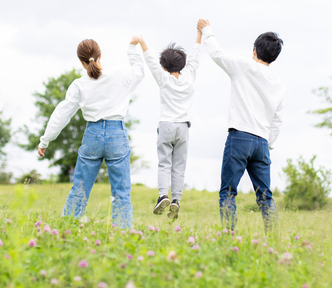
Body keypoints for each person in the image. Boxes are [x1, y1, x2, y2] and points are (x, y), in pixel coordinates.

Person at [37, 37, 145, 228]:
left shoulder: (79, 85)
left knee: (79, 189)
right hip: (116, 134)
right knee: (121, 192)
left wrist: (45, 140)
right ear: (100, 55)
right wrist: (131, 49)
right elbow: (139, 72)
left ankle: (66, 231)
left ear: (81, 62)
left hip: (92, 136)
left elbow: (62, 113)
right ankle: (122, 238)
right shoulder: (119, 75)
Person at [197, 18, 285, 232]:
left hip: (240, 137)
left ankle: (229, 237)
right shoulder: (278, 83)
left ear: (254, 50)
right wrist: (267, 143)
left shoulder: (246, 67)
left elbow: (217, 54)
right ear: (274, 57)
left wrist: (206, 29)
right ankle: (274, 239)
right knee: (265, 196)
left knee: (228, 191)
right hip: (262, 143)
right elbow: (277, 120)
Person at [134, 29, 202, 220]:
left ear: (163, 67)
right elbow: (196, 57)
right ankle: (176, 200)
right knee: (179, 166)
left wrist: (141, 41)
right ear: (183, 65)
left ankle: (163, 195)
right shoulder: (189, 77)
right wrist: (198, 35)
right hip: (183, 128)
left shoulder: (163, 79)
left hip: (166, 126)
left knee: (164, 163)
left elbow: (150, 61)